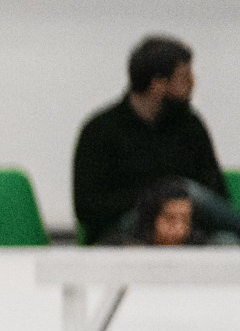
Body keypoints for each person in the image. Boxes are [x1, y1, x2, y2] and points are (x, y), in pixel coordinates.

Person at [73, 35, 236, 244]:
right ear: (158, 85)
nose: (192, 85)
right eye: (185, 78)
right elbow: (88, 208)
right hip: (122, 231)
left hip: (187, 230)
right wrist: (154, 197)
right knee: (181, 190)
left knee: (226, 242)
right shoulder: (100, 131)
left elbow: (216, 194)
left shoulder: (190, 125)